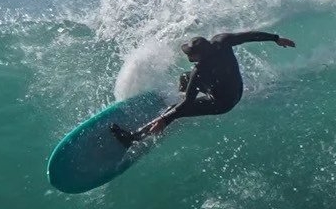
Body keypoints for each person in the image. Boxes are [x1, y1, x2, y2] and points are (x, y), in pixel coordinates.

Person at [111, 30, 296, 145]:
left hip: (222, 103)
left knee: (173, 111)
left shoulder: (200, 72)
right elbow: (248, 36)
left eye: (190, 55)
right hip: (235, 88)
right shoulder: (221, 41)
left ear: (199, 56)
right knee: (184, 77)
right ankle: (176, 104)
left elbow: (189, 102)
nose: (188, 57)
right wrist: (276, 38)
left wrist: (165, 119)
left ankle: (133, 138)